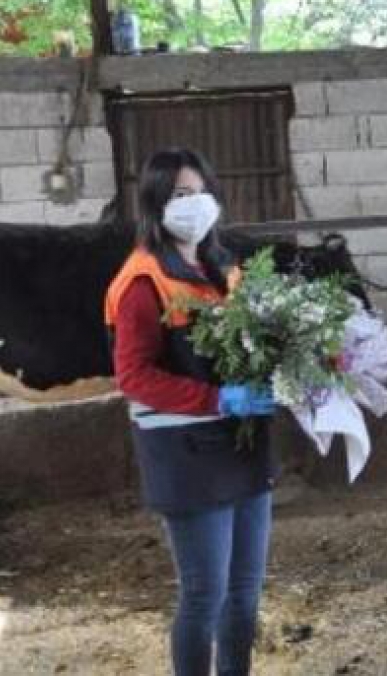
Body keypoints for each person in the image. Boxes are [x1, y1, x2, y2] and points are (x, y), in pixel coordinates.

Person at [103, 148, 276, 676]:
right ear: (156, 204)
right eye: (180, 195)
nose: (194, 203)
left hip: (242, 446)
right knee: (204, 594)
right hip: (186, 453)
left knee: (244, 595)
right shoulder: (142, 281)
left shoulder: (224, 269)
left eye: (200, 191)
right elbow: (133, 376)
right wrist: (217, 398)